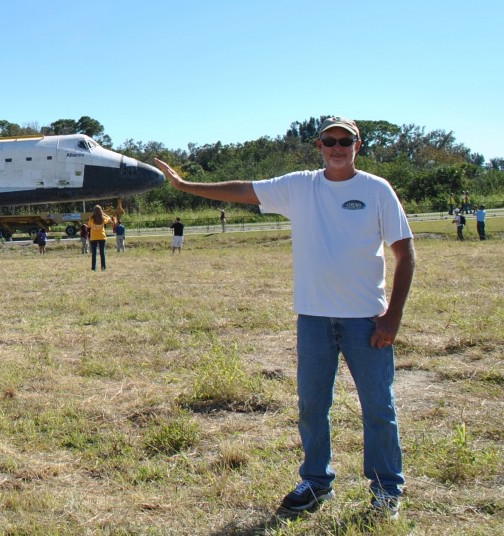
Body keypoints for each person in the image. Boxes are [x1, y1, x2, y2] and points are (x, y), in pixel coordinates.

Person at [155, 116, 416, 518]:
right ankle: (316, 482)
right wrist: (186, 185)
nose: (336, 148)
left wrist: (392, 316)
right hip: (313, 319)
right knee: (312, 406)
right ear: (319, 146)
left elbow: (405, 254)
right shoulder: (300, 186)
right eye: (329, 141)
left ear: (357, 145)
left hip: (366, 321)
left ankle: (386, 491)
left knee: (378, 408)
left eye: (344, 141)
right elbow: (243, 189)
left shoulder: (376, 190)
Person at [88, 205, 112, 271]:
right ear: (101, 211)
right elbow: (109, 219)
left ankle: (93, 268)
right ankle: (103, 267)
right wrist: (104, 214)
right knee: (102, 253)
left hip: (93, 238)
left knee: (94, 253)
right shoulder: (103, 218)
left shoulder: (91, 218)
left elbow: (89, 226)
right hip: (102, 237)